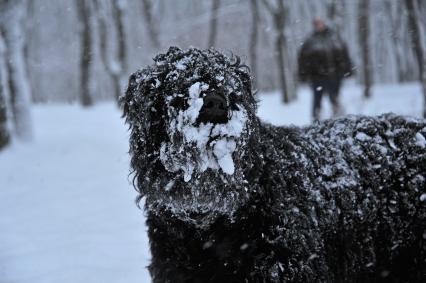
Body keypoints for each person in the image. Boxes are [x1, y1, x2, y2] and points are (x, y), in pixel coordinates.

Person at [298, 18, 353, 121]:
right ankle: (315, 121)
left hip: (334, 75)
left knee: (335, 99)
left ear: (324, 23)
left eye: (320, 23)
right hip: (317, 77)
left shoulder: (335, 38)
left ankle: (339, 119)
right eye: (316, 23)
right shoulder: (310, 41)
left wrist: (347, 69)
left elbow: (344, 55)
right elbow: (303, 60)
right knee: (317, 101)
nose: (319, 25)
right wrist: (303, 75)